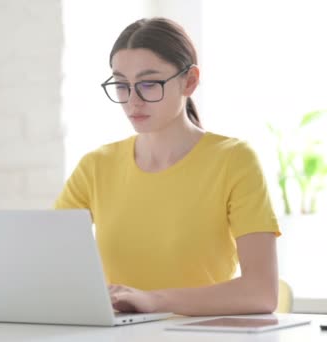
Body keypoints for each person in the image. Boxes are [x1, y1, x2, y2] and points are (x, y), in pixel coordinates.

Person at [54, 17, 280, 316]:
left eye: (149, 84)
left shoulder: (233, 159)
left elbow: (261, 293)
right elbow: (48, 262)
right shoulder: (96, 166)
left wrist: (154, 301)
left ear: (189, 81)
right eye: (122, 85)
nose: (133, 101)